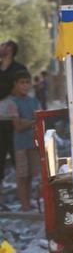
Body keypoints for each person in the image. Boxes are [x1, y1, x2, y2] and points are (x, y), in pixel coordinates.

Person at [0, 71, 41, 211]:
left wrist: (27, 121)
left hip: (33, 143)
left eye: (27, 82)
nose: (25, 85)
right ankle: (25, 206)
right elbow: (18, 127)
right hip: (20, 145)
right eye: (21, 83)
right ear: (16, 85)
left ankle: (28, 204)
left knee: (30, 176)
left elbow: (40, 121)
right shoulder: (13, 103)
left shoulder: (35, 101)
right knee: (22, 177)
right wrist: (32, 121)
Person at [0, 40, 28, 187]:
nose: (0, 47)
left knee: (18, 155)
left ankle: (24, 193)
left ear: (10, 49)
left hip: (14, 120)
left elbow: (21, 89)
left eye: (3, 45)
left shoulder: (19, 69)